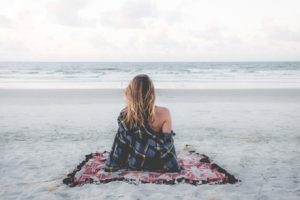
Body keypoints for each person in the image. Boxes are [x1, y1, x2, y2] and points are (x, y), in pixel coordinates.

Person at [105, 74, 182, 172]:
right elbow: (167, 146)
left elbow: (121, 146)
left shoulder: (125, 114)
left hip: (135, 163)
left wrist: (113, 165)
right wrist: (173, 167)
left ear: (131, 93)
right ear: (151, 93)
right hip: (157, 164)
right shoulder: (164, 113)